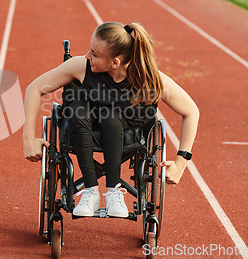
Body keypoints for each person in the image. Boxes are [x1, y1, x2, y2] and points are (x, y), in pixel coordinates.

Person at [23, 22, 199, 217]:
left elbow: (191, 111)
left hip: (124, 130)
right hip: (82, 123)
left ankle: (114, 190)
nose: (87, 55)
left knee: (111, 118)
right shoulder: (81, 66)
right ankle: (90, 190)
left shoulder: (151, 80)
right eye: (90, 49)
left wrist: (181, 163)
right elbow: (35, 88)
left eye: (95, 54)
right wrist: (29, 139)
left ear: (115, 62)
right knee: (79, 110)